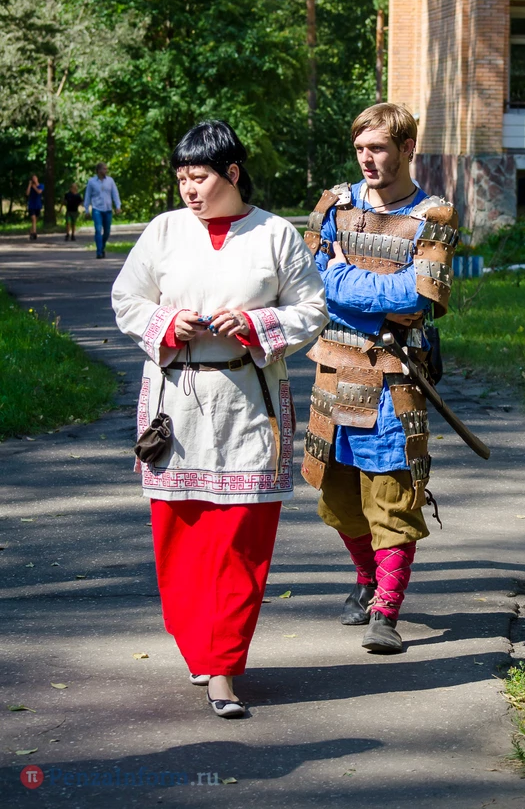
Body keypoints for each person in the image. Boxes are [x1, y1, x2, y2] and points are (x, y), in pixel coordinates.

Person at [111, 120, 327, 719]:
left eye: (199, 177)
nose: (189, 189)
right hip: (175, 406)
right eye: (182, 178)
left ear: (232, 173)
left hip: (248, 403)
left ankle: (224, 668)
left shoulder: (275, 234)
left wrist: (256, 324)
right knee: (179, 542)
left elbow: (312, 308)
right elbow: (127, 299)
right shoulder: (163, 231)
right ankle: (200, 650)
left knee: (240, 543)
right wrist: (166, 323)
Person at [301, 102, 458, 655]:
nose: (367, 159)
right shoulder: (333, 206)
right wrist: (366, 292)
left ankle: (386, 612)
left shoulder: (434, 216)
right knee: (339, 495)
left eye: (379, 148)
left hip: (394, 376)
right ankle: (367, 579)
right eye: (360, 149)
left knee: (391, 495)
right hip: (334, 369)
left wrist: (342, 277)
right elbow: (308, 285)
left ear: (407, 149)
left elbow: (419, 298)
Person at [84, 162, 121, 259]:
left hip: (108, 209)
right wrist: (86, 209)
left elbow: (115, 194)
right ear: (99, 170)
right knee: (98, 230)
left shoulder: (110, 181)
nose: (106, 171)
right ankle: (99, 251)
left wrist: (118, 206)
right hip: (97, 209)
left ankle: (102, 246)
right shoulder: (92, 182)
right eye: (104, 169)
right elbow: (87, 196)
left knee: (107, 231)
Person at [26, 175, 44, 241]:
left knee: (35, 220)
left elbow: (39, 192)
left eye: (35, 178)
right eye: (33, 179)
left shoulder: (41, 185)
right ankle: (34, 233)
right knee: (33, 219)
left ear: (37, 179)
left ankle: (31, 232)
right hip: (31, 205)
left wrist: (34, 187)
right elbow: (27, 193)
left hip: (38, 205)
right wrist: (29, 185)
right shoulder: (30, 186)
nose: (34, 179)